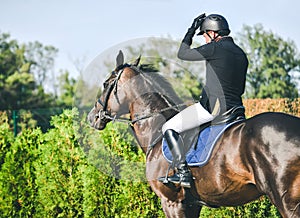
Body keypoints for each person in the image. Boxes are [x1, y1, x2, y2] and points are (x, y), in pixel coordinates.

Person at [158, 13, 248, 188]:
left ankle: (183, 173)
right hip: (237, 109)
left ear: (213, 33)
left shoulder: (215, 48)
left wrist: (192, 29)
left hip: (213, 109)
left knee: (168, 127)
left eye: (205, 35)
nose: (205, 39)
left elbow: (182, 53)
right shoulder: (240, 53)